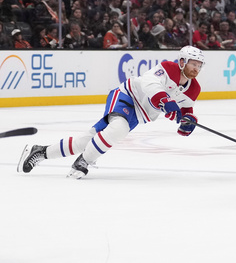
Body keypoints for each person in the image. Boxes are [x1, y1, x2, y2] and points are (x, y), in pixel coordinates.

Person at [18, 46, 206, 179]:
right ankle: (83, 162)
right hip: (127, 95)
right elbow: (150, 84)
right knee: (118, 129)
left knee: (87, 140)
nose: (196, 69)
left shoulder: (194, 89)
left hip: (139, 115)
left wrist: (187, 122)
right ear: (182, 62)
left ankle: (41, 152)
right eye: (193, 64)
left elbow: (185, 109)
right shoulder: (168, 68)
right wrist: (165, 101)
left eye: (199, 65)